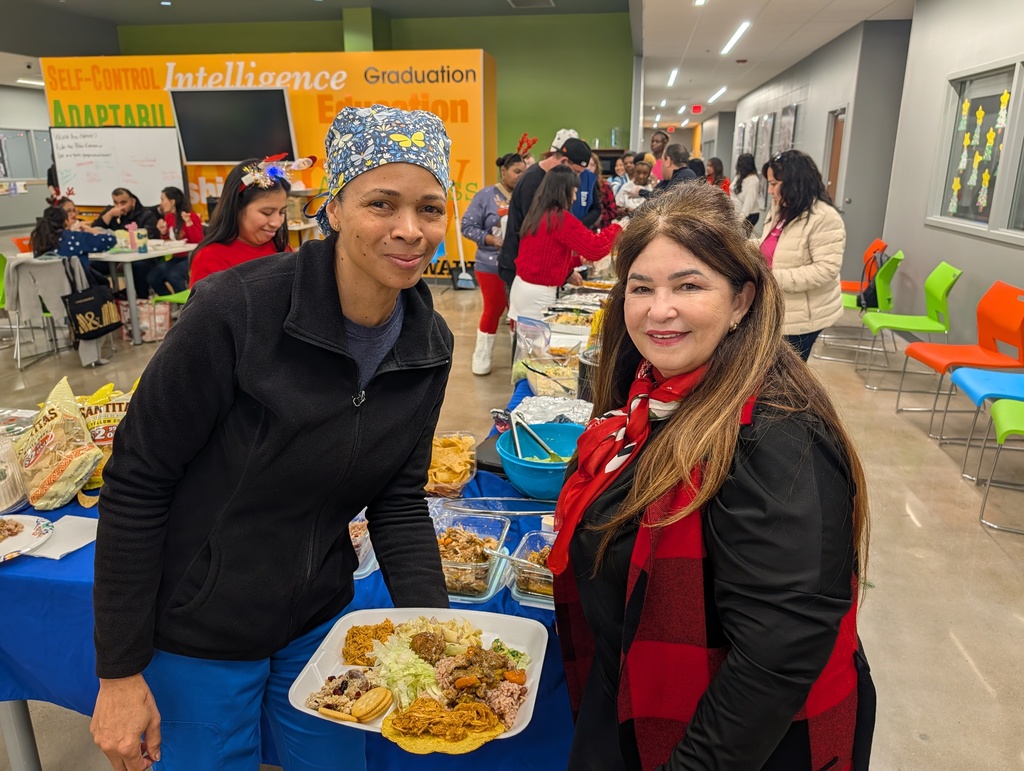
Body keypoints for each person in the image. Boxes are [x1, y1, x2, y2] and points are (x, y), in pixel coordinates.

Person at [90, 104, 455, 771]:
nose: (410, 230)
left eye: (430, 208)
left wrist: (436, 633)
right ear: (334, 208)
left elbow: (398, 500)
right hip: (199, 628)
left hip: (319, 619)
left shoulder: (428, 343)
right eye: (382, 202)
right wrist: (118, 673)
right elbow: (138, 478)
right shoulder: (238, 310)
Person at [551, 182, 873, 771]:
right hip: (629, 698)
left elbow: (774, 659)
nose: (658, 309)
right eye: (641, 288)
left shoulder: (774, 437)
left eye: (689, 286)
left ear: (742, 301)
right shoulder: (654, 392)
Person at [508, 165, 621, 325]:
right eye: (574, 191)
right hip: (538, 295)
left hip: (522, 290)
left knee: (523, 345)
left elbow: (545, 257)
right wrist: (618, 228)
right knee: (536, 347)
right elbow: (595, 249)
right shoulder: (560, 218)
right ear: (563, 191)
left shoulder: (538, 213)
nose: (574, 198)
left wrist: (577, 262)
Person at [761, 150, 845, 361]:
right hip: (778, 308)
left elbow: (825, 270)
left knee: (785, 379)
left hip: (803, 316)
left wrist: (772, 277)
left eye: (774, 184)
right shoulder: (782, 209)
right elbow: (773, 244)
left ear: (793, 182)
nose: (770, 190)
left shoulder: (824, 218)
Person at [461, 152, 526, 375]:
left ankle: (519, 363)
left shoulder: (526, 195)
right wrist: (491, 239)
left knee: (517, 313)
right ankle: (482, 357)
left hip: (519, 266)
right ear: (503, 171)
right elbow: (467, 226)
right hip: (490, 265)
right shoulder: (485, 196)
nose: (520, 176)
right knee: (493, 310)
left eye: (524, 172)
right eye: (517, 171)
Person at [497, 136, 592, 288]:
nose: (576, 177)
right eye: (576, 171)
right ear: (563, 162)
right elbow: (541, 237)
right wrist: (567, 271)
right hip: (522, 273)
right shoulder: (532, 182)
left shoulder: (552, 180)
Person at [188, 159, 291, 287]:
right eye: (267, 212)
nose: (276, 223)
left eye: (281, 212)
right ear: (236, 208)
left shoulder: (281, 247)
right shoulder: (210, 258)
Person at [92, 187, 160, 297]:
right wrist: (109, 215)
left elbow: (150, 237)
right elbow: (94, 231)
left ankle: (141, 298)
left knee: (139, 266)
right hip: (114, 255)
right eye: (116, 203)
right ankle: (106, 296)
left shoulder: (146, 215)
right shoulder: (110, 213)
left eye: (123, 202)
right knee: (92, 266)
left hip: (140, 256)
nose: (119, 207)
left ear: (133, 201)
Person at [30, 205, 115, 277]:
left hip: (49, 292)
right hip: (79, 292)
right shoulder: (75, 238)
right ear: (66, 221)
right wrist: (89, 229)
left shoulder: (39, 241)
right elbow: (110, 240)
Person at [148, 186, 204, 296]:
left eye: (163, 200)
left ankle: (187, 304)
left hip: (190, 257)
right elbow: (169, 241)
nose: (161, 203)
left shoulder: (191, 216)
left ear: (172, 201)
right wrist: (163, 232)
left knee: (173, 275)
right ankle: (169, 302)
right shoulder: (168, 217)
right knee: (153, 276)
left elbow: (198, 241)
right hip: (176, 257)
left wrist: (189, 224)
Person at [590, 152, 621, 230]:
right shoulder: (577, 186)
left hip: (601, 229)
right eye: (586, 165)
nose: (588, 168)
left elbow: (613, 212)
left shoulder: (605, 186)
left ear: (596, 167)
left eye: (591, 165)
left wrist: (595, 216)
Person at [730, 152, 761, 229]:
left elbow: (748, 204)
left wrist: (738, 221)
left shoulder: (753, 180)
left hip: (748, 216)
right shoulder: (739, 176)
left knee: (740, 239)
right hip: (737, 214)